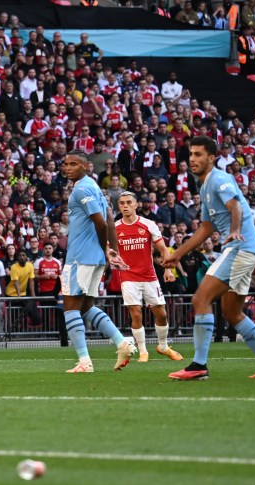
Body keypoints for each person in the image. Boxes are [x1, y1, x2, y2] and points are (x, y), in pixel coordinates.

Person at [161, 136, 255, 381]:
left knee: (200, 298)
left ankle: (198, 365)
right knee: (232, 312)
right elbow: (205, 229)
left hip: (239, 249)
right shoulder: (205, 187)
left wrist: (235, 230)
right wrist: (177, 254)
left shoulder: (220, 179)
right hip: (240, 250)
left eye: (198, 154)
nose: (193, 159)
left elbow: (234, 206)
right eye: (191, 154)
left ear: (211, 158)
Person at [59, 150, 136, 374]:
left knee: (70, 308)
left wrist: (107, 248)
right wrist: (112, 251)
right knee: (86, 307)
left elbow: (101, 223)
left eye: (74, 164)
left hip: (80, 256)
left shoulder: (82, 188)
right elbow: (111, 219)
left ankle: (84, 361)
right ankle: (122, 343)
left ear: (86, 166)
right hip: (95, 258)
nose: (68, 167)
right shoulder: (93, 187)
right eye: (65, 164)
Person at [114, 191, 183, 362]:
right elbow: (110, 252)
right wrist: (112, 260)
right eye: (122, 203)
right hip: (128, 276)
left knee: (161, 313)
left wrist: (168, 269)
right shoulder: (115, 228)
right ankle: (143, 351)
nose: (125, 206)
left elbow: (163, 249)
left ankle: (163, 346)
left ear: (136, 205)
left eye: (129, 202)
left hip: (149, 276)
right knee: (136, 313)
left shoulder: (148, 224)